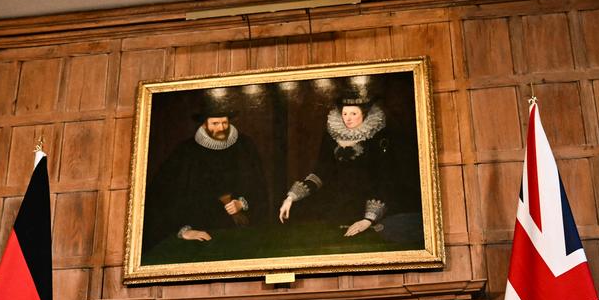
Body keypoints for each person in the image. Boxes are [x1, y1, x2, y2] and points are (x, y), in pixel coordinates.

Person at [277, 89, 420, 243]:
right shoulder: (332, 138)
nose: (348, 119)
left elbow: (385, 179)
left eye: (353, 114)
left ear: (364, 114)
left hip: (372, 208)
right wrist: (291, 198)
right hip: (339, 208)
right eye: (345, 114)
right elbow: (321, 173)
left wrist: (368, 219)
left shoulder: (378, 138)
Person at [143, 99, 265, 248]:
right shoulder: (186, 151)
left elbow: (259, 185)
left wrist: (243, 203)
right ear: (204, 124)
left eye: (224, 123)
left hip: (243, 230)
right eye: (215, 123)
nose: (221, 128)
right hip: (200, 229)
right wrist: (183, 230)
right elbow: (164, 195)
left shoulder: (245, 145)